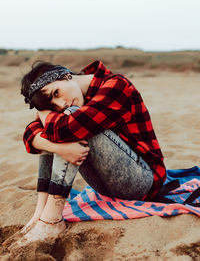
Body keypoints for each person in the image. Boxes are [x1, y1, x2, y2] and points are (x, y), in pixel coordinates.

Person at [11, 59, 167, 243]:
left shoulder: (117, 84)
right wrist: (58, 148)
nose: (61, 104)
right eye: (52, 105)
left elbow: (67, 129)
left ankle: (52, 219)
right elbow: (29, 135)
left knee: (69, 120)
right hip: (105, 187)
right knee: (56, 129)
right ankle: (40, 212)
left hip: (143, 182)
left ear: (66, 76)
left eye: (56, 93)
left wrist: (44, 114)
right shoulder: (69, 102)